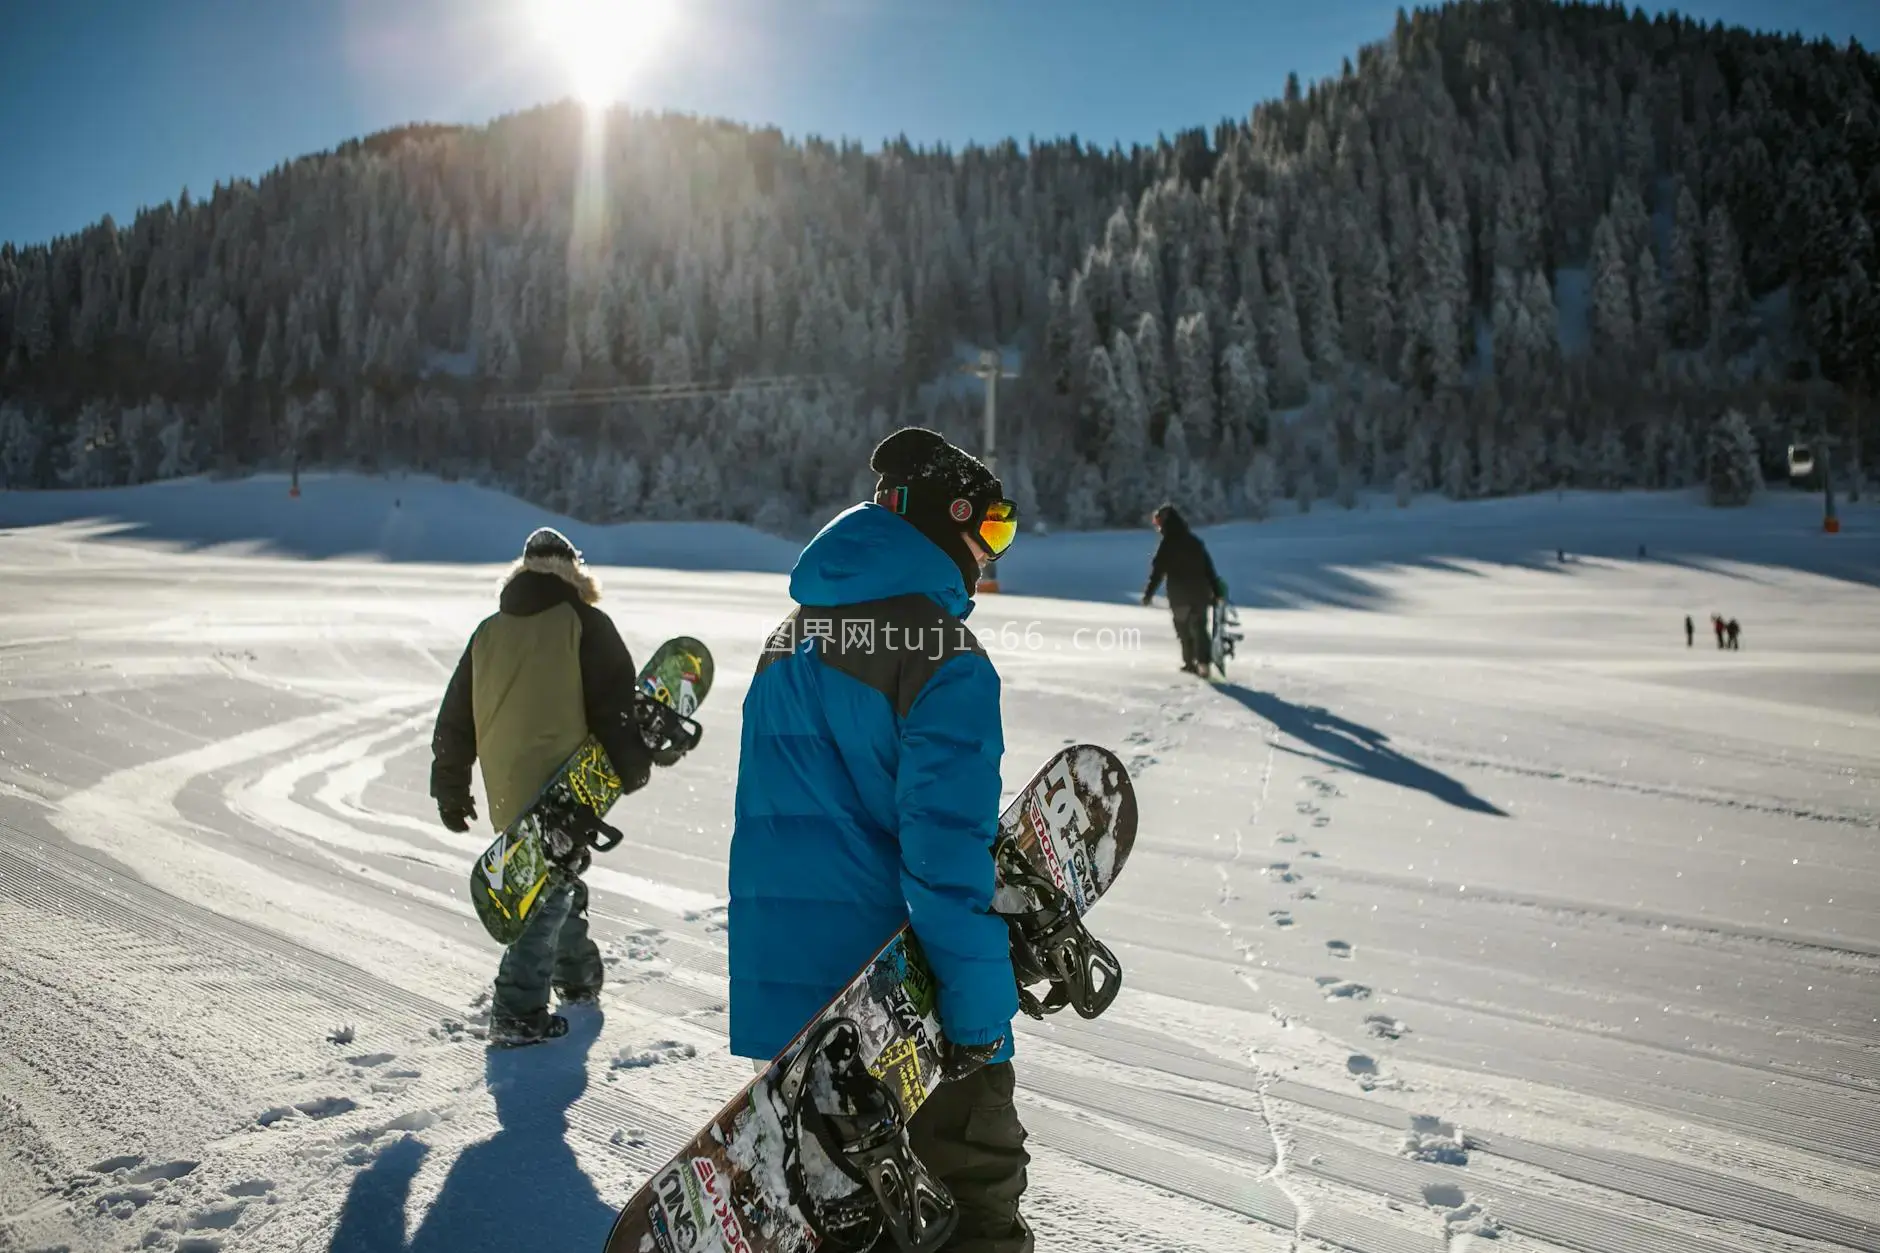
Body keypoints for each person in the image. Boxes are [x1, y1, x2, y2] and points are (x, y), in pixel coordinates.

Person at [730, 426, 1031, 1252]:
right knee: (974, 1211)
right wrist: (977, 1017)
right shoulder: (943, 654)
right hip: (900, 1013)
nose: (993, 554)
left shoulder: (787, 638)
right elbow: (944, 857)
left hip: (791, 1013)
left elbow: (768, 824)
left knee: (848, 1229)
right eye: (993, 529)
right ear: (948, 521)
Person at [429, 526, 660, 1047]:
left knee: (555, 878)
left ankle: (578, 979)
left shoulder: (487, 631)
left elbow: (455, 719)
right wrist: (632, 765)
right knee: (546, 894)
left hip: (506, 786)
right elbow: (616, 707)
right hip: (566, 784)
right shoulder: (584, 622)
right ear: (574, 571)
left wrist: (450, 785)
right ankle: (516, 1008)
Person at [1140, 503, 1224, 675]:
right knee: (1200, 628)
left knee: (1183, 629)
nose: (1158, 527)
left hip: (1179, 596)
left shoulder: (1167, 545)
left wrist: (1148, 594)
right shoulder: (1195, 542)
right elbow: (1209, 569)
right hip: (1200, 593)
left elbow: (1158, 572)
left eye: (1158, 523)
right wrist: (1217, 592)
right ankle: (1204, 664)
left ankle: (1189, 663)